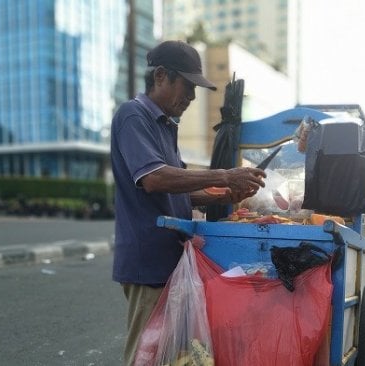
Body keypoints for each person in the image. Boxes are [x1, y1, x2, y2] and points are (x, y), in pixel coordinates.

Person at [110, 40, 266, 365]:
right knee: (146, 356)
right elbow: (154, 179)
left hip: (172, 262)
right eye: (189, 85)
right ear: (162, 76)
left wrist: (224, 194)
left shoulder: (166, 126)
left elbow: (175, 190)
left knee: (174, 356)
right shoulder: (133, 115)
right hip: (148, 262)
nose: (193, 97)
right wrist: (222, 176)